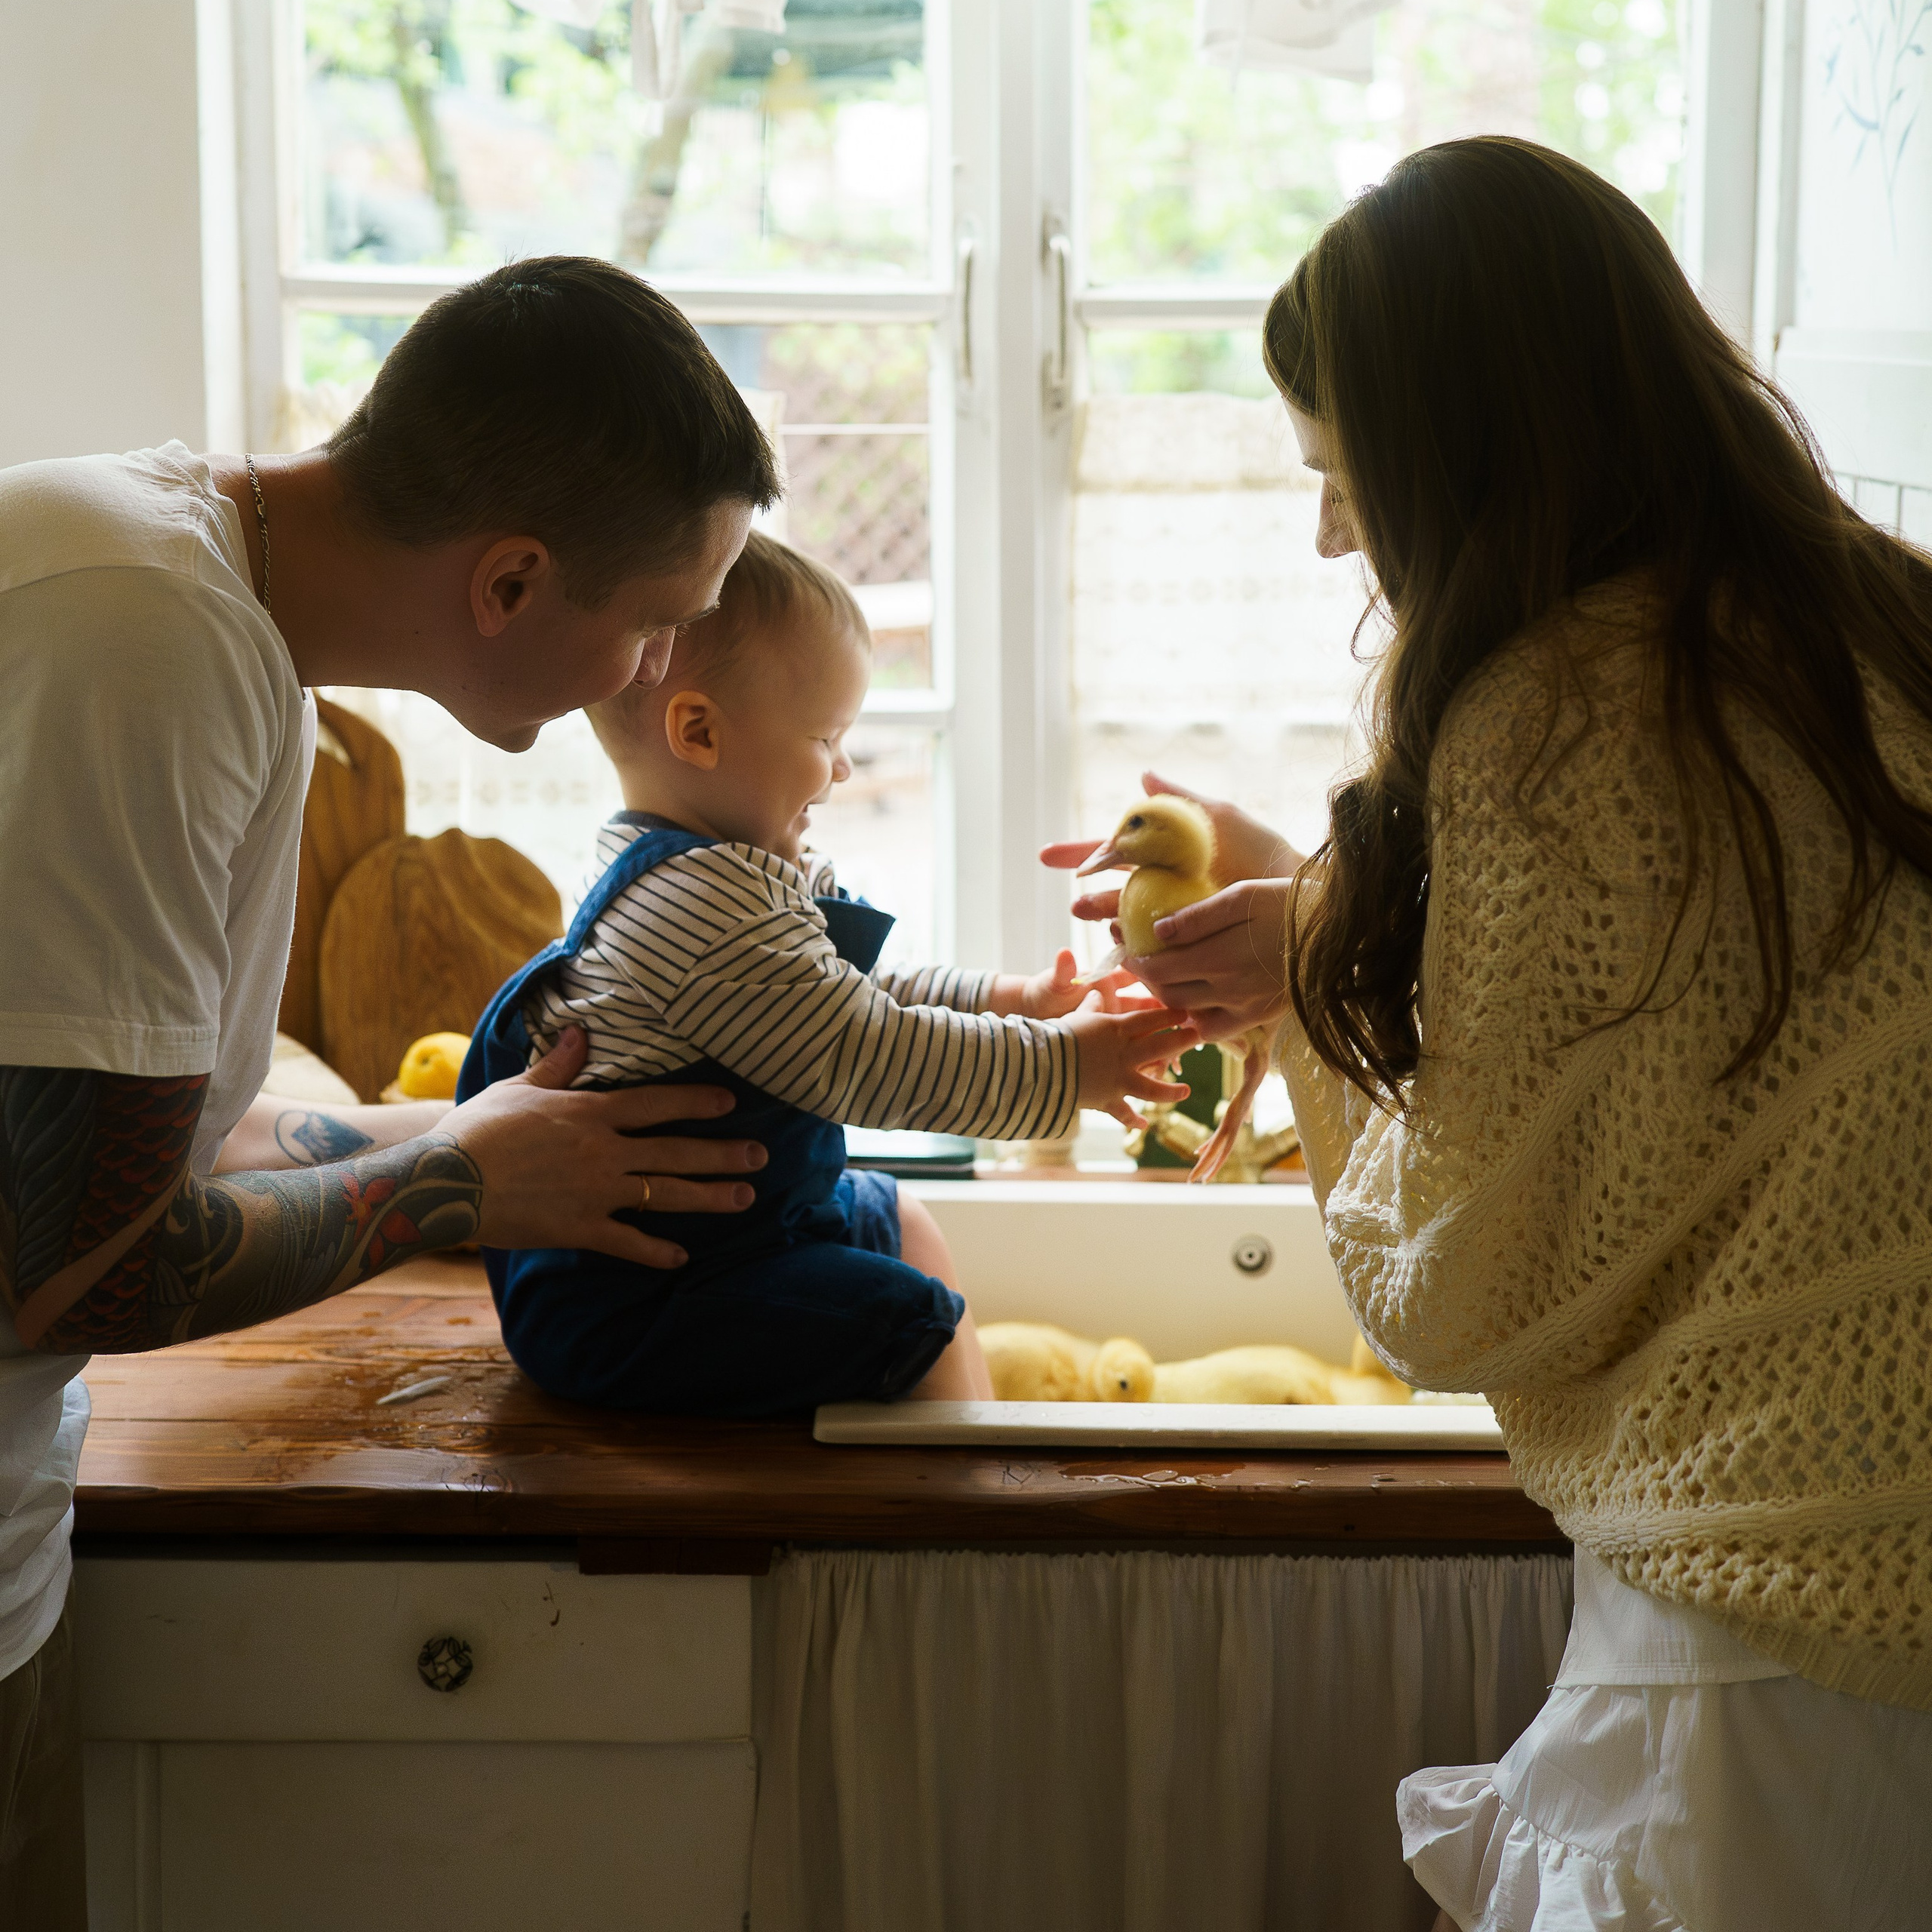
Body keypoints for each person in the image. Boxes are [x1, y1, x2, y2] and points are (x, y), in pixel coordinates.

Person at [1048, 139, 1932, 1930]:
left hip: (1765, 1623)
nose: (1326, 530)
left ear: (1454, 446)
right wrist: (1326, 900)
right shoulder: (1885, 619)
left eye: (1334, 472)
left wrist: (1306, 999)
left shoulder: (1544, 711)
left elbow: (1446, 1282)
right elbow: (1715, 1014)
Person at [0, 257, 788, 1924]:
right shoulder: (142, 641)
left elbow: (155, 1155)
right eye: (655, 616)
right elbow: (58, 1267)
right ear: (510, 579)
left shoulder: (204, 613)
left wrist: (451, 1131)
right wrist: (460, 1191)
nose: (655, 670)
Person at [460, 530, 1195, 1415]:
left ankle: (972, 1433)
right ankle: (977, 1515)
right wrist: (1068, 1068)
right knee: (909, 1320)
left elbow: (839, 1003)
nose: (843, 769)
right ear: (697, 730)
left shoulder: (725, 870)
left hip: (732, 1235)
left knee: (900, 1218)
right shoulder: (697, 907)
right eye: (826, 737)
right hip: (638, 1301)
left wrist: (1010, 1003)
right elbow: (865, 1053)